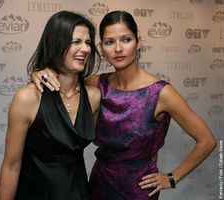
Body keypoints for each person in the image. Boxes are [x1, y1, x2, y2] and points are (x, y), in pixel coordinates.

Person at [31, 10, 217, 200]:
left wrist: (171, 178)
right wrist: (40, 72)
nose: (118, 49)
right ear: (101, 48)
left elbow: (207, 141)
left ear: (139, 41)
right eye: (110, 42)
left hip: (138, 190)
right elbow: (62, 81)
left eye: (126, 40)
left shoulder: (160, 93)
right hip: (99, 184)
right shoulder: (96, 84)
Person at [0, 10, 101, 200]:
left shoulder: (94, 96)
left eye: (88, 43)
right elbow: (11, 166)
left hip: (78, 194)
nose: (86, 49)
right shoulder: (28, 98)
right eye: (76, 41)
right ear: (56, 43)